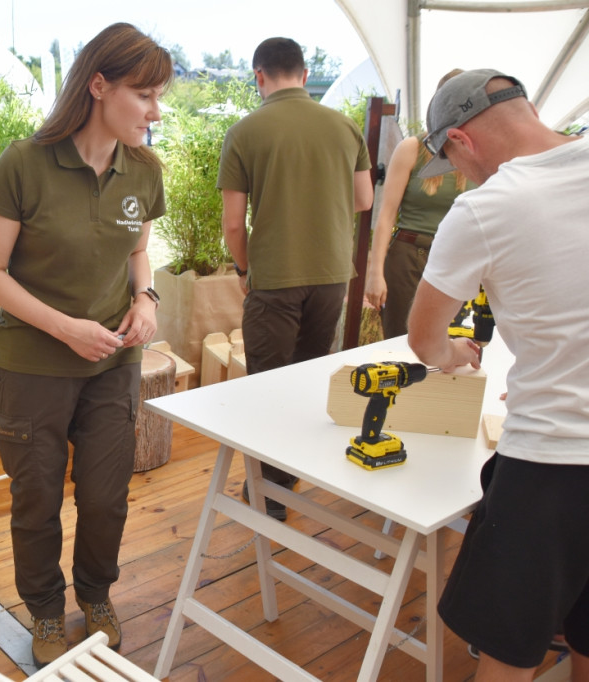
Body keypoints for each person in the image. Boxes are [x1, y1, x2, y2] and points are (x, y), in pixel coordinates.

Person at [0, 23, 171, 667]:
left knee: (107, 491)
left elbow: (139, 249)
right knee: (37, 498)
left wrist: (146, 299)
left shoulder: (142, 169)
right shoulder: (23, 164)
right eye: (145, 95)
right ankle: (47, 612)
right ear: (98, 85)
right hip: (34, 367)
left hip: (114, 363)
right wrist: (64, 327)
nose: (154, 111)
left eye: (158, 97)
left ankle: (97, 593)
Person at [407, 69, 588, 681]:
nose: (460, 177)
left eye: (453, 161)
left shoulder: (486, 207)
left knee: (510, 653)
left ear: (462, 138)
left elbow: (425, 338)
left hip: (554, 467)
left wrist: (454, 355)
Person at [217, 37, 373, 520]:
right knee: (308, 377)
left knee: (266, 383)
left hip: (276, 275)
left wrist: (245, 269)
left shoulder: (245, 132)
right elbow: (365, 199)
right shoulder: (344, 126)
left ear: (259, 76)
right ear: (305, 76)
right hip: (331, 275)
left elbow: (231, 223)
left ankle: (268, 493)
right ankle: (290, 476)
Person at [364, 71, 472, 338]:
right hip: (410, 255)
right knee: (402, 339)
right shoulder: (412, 148)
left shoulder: (477, 152)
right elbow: (386, 215)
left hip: (456, 259)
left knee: (450, 341)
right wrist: (375, 273)